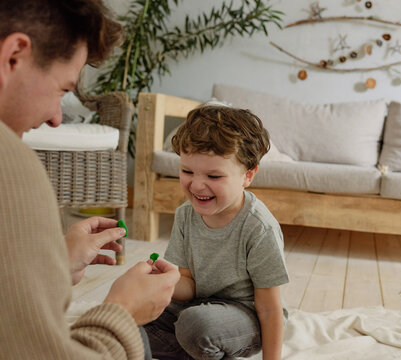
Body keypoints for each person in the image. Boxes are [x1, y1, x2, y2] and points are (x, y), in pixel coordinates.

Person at [0, 1, 180, 359]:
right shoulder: (10, 162)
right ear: (13, 57)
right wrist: (123, 312)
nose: (55, 118)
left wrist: (53, 265)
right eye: (62, 90)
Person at [144, 104, 290, 360]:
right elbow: (189, 285)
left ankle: (199, 348)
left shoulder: (258, 227)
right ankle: (196, 352)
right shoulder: (184, 215)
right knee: (130, 321)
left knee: (195, 325)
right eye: (187, 171)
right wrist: (164, 280)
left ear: (248, 176)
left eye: (213, 176)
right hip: (196, 307)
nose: (197, 184)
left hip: (245, 317)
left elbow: (269, 309)